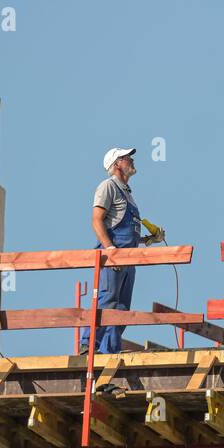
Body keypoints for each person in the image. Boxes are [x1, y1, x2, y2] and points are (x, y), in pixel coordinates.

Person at [79, 147, 144, 357]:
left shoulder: (127, 193)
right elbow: (96, 220)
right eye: (127, 158)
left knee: (122, 308)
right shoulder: (108, 186)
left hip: (128, 259)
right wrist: (110, 248)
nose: (131, 160)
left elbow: (128, 232)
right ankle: (89, 346)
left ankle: (109, 350)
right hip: (112, 256)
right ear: (117, 164)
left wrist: (147, 240)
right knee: (107, 300)